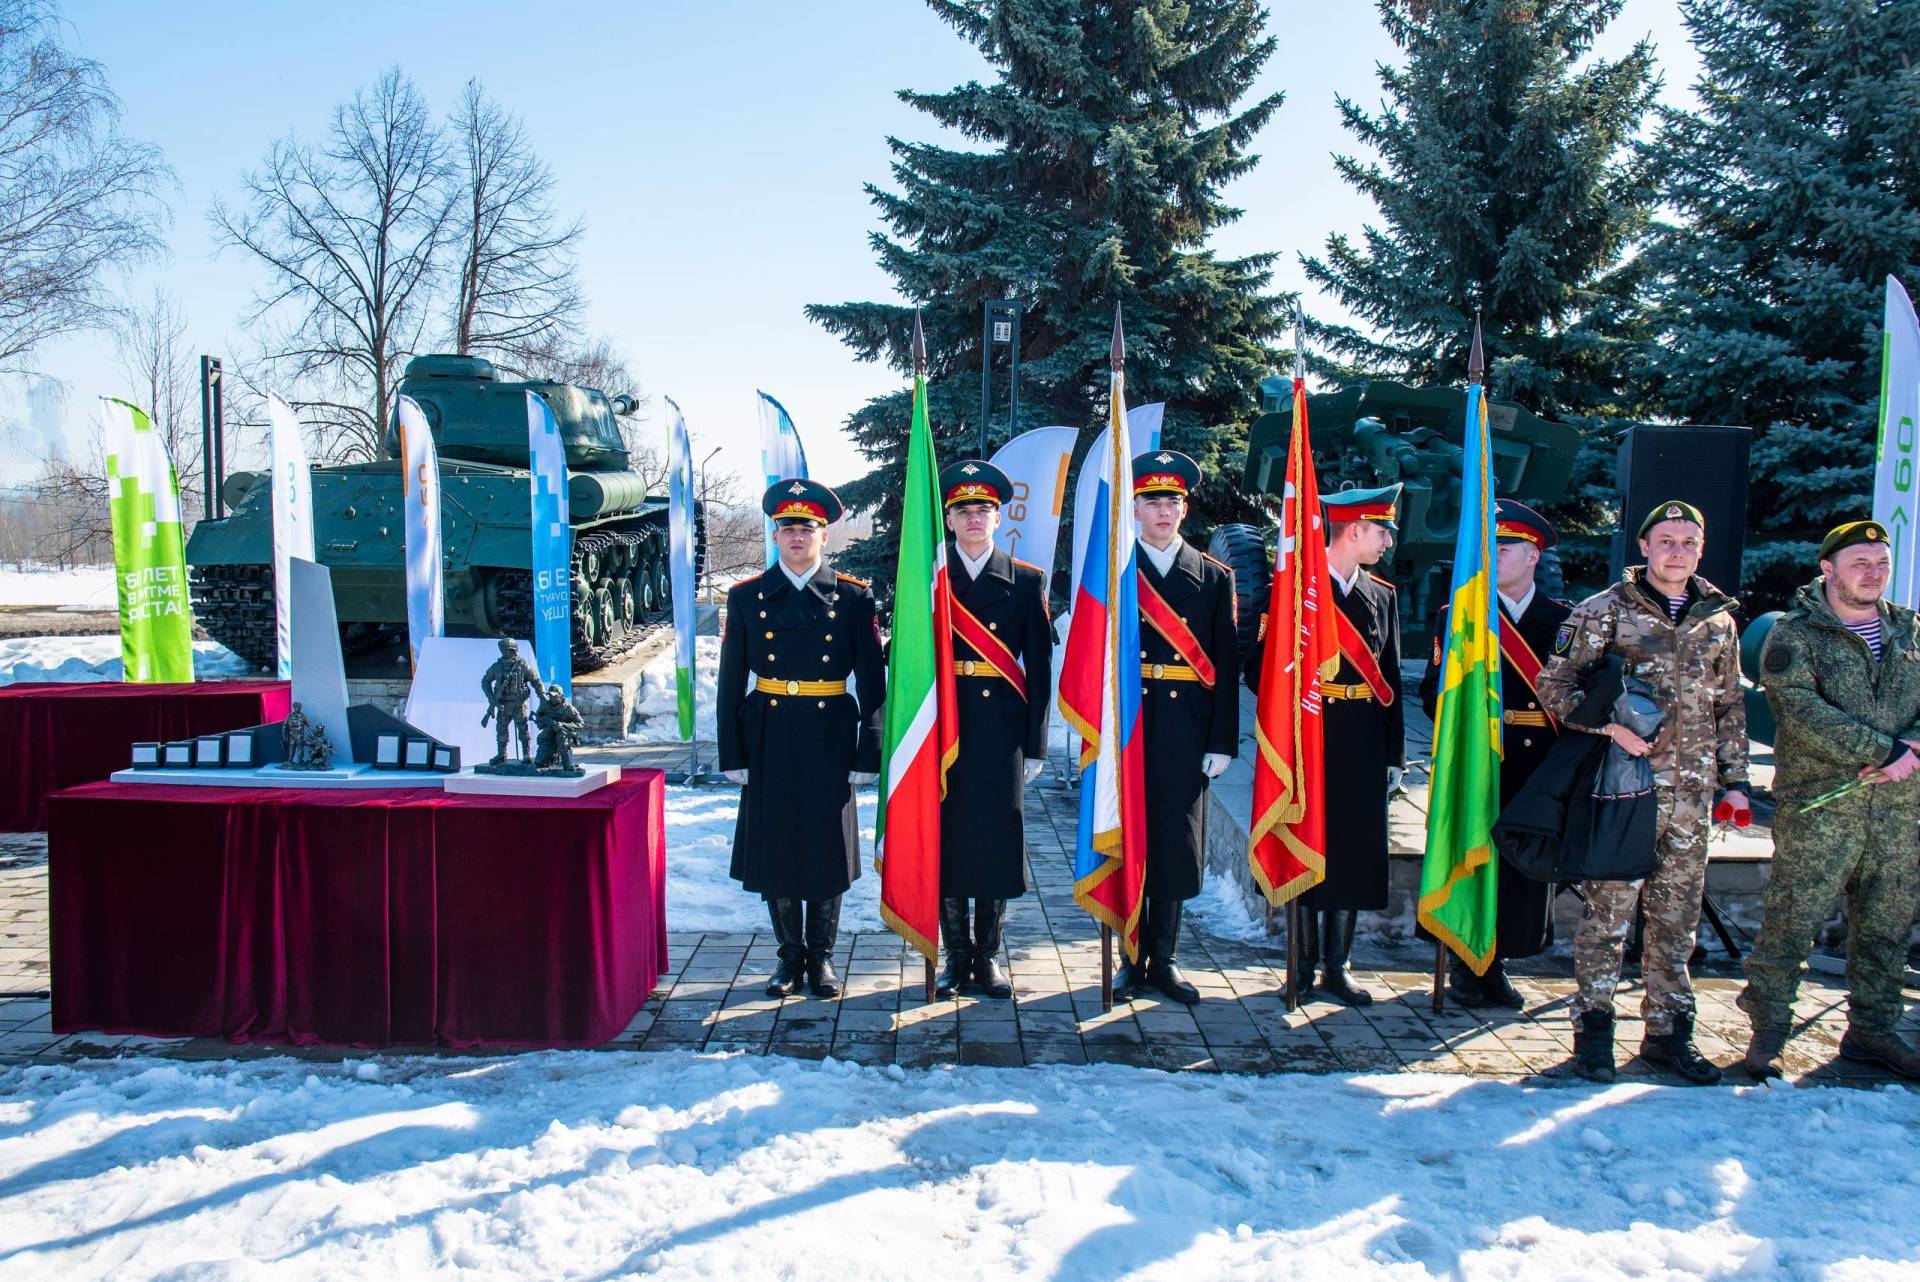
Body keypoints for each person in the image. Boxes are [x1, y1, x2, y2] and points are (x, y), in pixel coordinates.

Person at [1537, 500, 1748, 1085]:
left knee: (1676, 921)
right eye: (1666, 541)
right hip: (1624, 790)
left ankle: (1667, 1035)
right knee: (1607, 916)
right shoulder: (1602, 611)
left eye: (1688, 542)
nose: (1677, 552)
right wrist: (1608, 727)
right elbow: (1554, 683)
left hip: (1691, 797)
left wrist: (1737, 782)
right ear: (1645, 547)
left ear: (1700, 550)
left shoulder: (1718, 621)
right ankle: (1593, 1035)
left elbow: (1729, 704)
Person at [1739, 520, 1920, 1080]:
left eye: (1881, 563)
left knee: (1887, 925)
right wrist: (1885, 749)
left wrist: (1911, 747)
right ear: (1828, 569)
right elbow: (1799, 709)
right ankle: (1769, 1028)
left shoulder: (1909, 630)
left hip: (1897, 806)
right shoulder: (1796, 634)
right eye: (1859, 562)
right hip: (1823, 804)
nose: (1873, 573)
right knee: (1792, 921)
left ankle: (1873, 1028)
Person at [718, 478, 886, 999]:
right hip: (768, 733)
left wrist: (869, 750)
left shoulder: (854, 597)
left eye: (807, 529)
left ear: (824, 536)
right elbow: (730, 680)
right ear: (775, 534)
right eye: (788, 528)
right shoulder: (746, 597)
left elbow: (872, 682)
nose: (797, 537)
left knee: (826, 845)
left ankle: (823, 957)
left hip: (829, 733)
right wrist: (732, 752)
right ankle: (789, 957)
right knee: (777, 846)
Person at [1417, 499, 1568, 1007]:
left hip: (1537, 764)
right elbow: (1432, 690)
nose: (1494, 556)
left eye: (1505, 548)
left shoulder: (1564, 622)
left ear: (1533, 556)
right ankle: (1466, 963)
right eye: (1490, 547)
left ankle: (1499, 960)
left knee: (1522, 868)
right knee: (1471, 856)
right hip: (1478, 759)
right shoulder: (1460, 615)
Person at [1268, 483, 1407, 1007]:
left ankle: (1337, 965)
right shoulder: (1296, 589)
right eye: (1382, 533)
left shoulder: (1383, 595)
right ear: (1355, 530)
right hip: (1308, 736)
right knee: (1305, 844)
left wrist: (1393, 754)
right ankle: (1302, 964)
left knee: (1351, 851)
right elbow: (1261, 671)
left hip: (1363, 740)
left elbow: (1390, 679)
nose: (1387, 543)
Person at [1118, 449, 1238, 1005]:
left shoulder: (1213, 577)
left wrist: (1222, 740)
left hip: (1187, 731)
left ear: (1184, 509)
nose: (1163, 511)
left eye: (1172, 501)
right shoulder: (1116, 573)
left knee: (1175, 844)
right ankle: (1128, 958)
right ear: (1135, 508)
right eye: (1152, 501)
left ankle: (1163, 960)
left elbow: (1226, 664)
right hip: (1131, 727)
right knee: (1127, 841)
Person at [933, 459, 1054, 1000]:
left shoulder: (1026, 581)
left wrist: (1036, 744)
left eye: (983, 509)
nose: (974, 518)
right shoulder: (932, 578)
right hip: (947, 729)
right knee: (950, 841)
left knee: (996, 842)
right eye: (963, 510)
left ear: (999, 517)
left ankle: (988, 958)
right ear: (950, 519)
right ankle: (955, 958)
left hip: (1002, 733)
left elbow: (1040, 669)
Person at [480, 638, 536, 765]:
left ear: (513, 650)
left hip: (518, 704)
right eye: (502, 650)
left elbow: (535, 680)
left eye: (507, 650)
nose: (504, 652)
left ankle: (526, 754)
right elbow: (485, 681)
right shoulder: (497, 666)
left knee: (523, 729)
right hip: (503, 704)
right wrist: (492, 699)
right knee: (501, 730)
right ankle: (502, 754)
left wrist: (542, 696)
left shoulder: (522, 665)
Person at [533, 684, 583, 772]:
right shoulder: (545, 706)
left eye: (554, 696)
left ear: (561, 696)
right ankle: (550, 758)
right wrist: (541, 723)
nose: (552, 698)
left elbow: (580, 724)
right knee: (538, 762)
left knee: (562, 738)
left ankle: (567, 764)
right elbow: (538, 716)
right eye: (550, 695)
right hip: (549, 734)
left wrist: (562, 725)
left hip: (563, 734)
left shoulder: (568, 709)